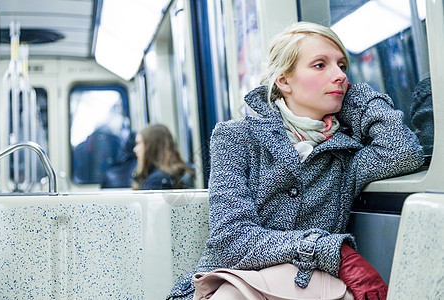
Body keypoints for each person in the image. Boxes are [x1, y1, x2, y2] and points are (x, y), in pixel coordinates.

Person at [167, 21, 424, 300]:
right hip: (234, 285)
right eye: (320, 65)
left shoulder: (345, 154)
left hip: (308, 287)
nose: (338, 75)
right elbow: (232, 239)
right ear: (284, 81)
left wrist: (358, 98)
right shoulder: (237, 137)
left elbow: (404, 152)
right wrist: (329, 250)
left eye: (342, 66)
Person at [131, 124, 195, 190]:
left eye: (138, 143)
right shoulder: (175, 173)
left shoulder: (156, 182)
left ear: (151, 147)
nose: (135, 149)